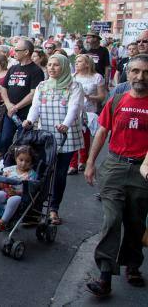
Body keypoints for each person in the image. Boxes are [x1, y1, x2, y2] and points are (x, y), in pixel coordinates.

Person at [84, 54, 148, 297]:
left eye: (146, 72)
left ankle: (132, 265)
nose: (140, 77)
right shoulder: (117, 99)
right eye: (135, 71)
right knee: (111, 220)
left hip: (143, 171)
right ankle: (104, 276)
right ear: (127, 73)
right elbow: (102, 132)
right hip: (114, 167)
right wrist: (90, 163)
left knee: (135, 221)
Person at [22, 54, 83, 225]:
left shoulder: (74, 86)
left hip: (65, 135)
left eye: (56, 65)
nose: (51, 68)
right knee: (41, 172)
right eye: (49, 65)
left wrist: (65, 124)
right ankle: (34, 209)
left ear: (64, 67)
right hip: (46, 135)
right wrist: (29, 121)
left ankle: (54, 209)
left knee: (59, 174)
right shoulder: (42, 85)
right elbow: (35, 107)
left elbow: (74, 108)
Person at [0, 38, 44, 155]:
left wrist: (16, 107)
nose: (14, 52)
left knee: (23, 144)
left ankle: (19, 164)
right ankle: (7, 162)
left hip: (25, 115)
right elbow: (3, 87)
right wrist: (8, 105)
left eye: (17, 50)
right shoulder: (13, 68)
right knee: (5, 140)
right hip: (10, 112)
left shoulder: (36, 71)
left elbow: (33, 93)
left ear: (26, 52)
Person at [0, 145, 39, 232]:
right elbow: (1, 183)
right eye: (21, 160)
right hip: (6, 191)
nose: (23, 163)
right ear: (16, 159)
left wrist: (18, 191)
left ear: (31, 162)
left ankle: (2, 222)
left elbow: (31, 188)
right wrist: (4, 183)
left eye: (27, 161)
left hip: (20, 196)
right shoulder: (9, 170)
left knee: (14, 199)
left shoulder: (31, 174)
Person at [69, 54, 107, 174]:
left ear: (87, 64)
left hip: (89, 112)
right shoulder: (72, 77)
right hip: (74, 111)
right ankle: (73, 164)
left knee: (84, 136)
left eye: (79, 61)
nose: (76, 63)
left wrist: (89, 97)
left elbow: (102, 96)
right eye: (76, 61)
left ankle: (83, 160)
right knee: (73, 136)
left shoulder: (97, 77)